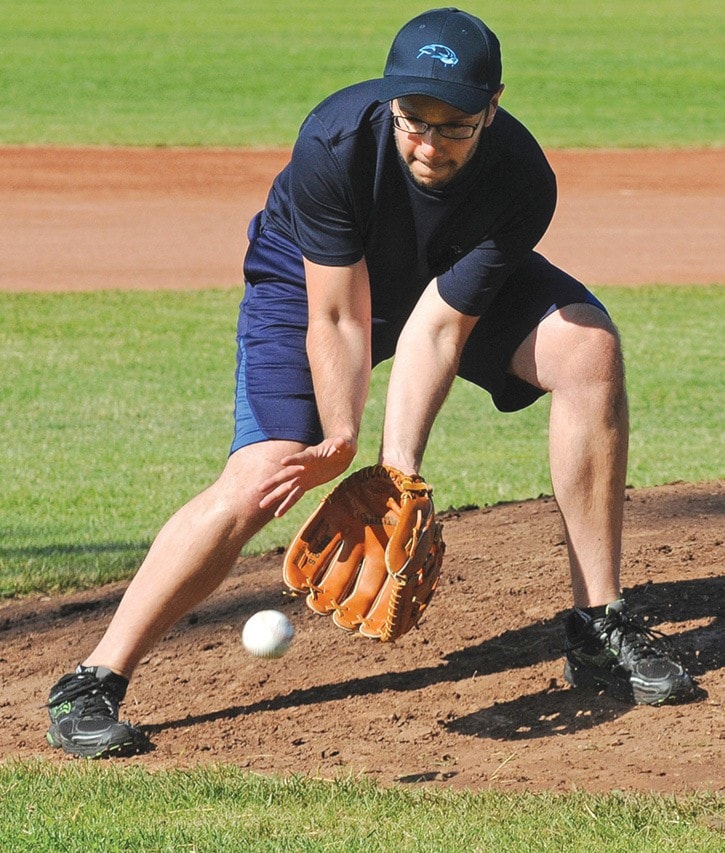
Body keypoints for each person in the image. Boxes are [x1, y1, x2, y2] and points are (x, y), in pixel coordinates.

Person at [46, 7, 696, 757]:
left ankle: (596, 623)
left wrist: (396, 470)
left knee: (587, 347)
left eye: (455, 125)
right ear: (391, 100)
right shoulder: (335, 142)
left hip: (439, 284)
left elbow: (437, 327)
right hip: (309, 287)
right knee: (260, 473)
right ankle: (94, 677)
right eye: (413, 118)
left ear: (494, 105)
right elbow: (340, 317)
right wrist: (339, 436)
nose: (428, 140)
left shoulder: (521, 180)